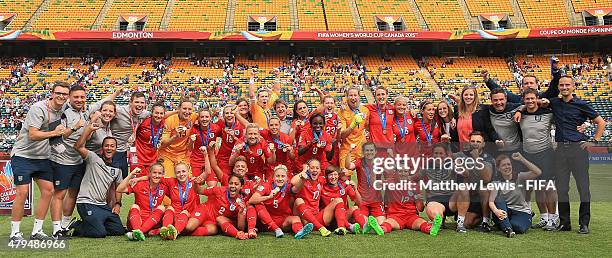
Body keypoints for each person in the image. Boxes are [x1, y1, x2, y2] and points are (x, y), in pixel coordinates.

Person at [543, 75, 605, 234]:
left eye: (567, 85)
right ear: (558, 87)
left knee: (583, 188)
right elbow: (534, 102)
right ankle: (565, 223)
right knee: (562, 189)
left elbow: (601, 122)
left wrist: (595, 141)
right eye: (561, 85)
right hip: (561, 151)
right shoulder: (554, 102)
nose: (564, 87)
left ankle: (584, 223)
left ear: (573, 87)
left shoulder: (582, 104)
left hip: (578, 149)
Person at [10, 82, 69, 241]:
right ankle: (14, 233)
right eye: (59, 93)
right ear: (52, 93)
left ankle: (37, 230)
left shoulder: (63, 107)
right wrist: (54, 133)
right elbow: (33, 135)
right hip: (24, 155)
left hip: (42, 157)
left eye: (65, 94)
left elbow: (81, 102)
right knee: (22, 192)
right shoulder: (38, 108)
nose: (61, 96)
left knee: (48, 191)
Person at [69, 120, 126, 238]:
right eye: (106, 145)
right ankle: (77, 225)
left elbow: (118, 188)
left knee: (119, 230)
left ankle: (93, 223)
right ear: (102, 147)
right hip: (87, 203)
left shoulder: (117, 168)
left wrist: (118, 204)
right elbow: (78, 146)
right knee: (99, 233)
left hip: (102, 205)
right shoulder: (93, 158)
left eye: (112, 146)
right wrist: (88, 130)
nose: (109, 148)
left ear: (116, 148)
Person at [50, 85, 88, 239]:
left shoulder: (83, 114)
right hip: (62, 160)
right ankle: (55, 229)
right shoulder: (62, 113)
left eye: (82, 97)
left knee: (73, 193)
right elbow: (56, 137)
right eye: (76, 97)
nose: (79, 100)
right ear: (69, 97)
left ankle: (64, 225)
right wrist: (74, 127)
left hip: (77, 160)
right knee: (59, 194)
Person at [516, 88, 557, 230]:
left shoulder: (548, 113)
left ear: (537, 98)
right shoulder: (520, 114)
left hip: (545, 153)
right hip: (528, 155)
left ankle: (553, 219)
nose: (530, 101)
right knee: (536, 188)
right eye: (527, 99)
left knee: (548, 187)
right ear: (524, 100)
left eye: (533, 98)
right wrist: (520, 110)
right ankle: (544, 217)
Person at [249, 165, 314, 239]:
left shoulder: (288, 187)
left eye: (283, 176)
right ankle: (275, 228)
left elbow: (296, 189)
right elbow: (252, 199)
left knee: (296, 218)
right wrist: (268, 197)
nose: (280, 179)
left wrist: (302, 179)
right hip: (267, 221)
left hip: (283, 220)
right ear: (273, 178)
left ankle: (300, 232)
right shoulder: (266, 186)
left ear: (287, 179)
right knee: (258, 203)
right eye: (277, 176)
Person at [489, 153, 542, 237]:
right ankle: (508, 229)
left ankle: (505, 225)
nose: (507, 167)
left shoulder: (520, 177)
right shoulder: (497, 182)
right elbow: (491, 202)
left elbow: (537, 172)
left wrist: (522, 159)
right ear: (498, 168)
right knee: (499, 199)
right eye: (503, 165)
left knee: (517, 227)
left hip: (521, 211)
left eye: (509, 164)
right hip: (505, 211)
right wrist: (496, 211)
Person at [421, 143, 469, 233]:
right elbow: (414, 178)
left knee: (463, 188)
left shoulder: (452, 164)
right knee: (434, 212)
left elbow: (466, 174)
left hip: (451, 201)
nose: (438, 156)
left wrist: (460, 167)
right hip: (435, 200)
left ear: (446, 154)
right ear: (432, 154)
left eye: (441, 153)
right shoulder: (428, 165)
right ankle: (439, 221)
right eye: (436, 153)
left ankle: (460, 224)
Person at [379, 169, 443, 236]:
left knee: (421, 222)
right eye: (400, 171)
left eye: (405, 171)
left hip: (411, 216)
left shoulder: (415, 186)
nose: (403, 174)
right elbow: (376, 185)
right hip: (395, 216)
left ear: (409, 173)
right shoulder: (389, 183)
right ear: (395, 172)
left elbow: (420, 209)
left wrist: (419, 199)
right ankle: (381, 229)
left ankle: (431, 229)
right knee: (388, 223)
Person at [454, 131, 494, 232]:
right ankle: (460, 223)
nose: (475, 143)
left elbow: (487, 178)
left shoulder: (488, 158)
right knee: (467, 223)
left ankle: (485, 221)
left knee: (484, 189)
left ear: (483, 144)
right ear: (469, 142)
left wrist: (476, 158)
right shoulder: (460, 155)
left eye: (478, 141)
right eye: (472, 141)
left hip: (479, 197)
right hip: (463, 195)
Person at [116, 163, 168, 241]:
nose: (157, 175)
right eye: (154, 172)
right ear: (149, 173)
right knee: (135, 206)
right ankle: (140, 230)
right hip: (137, 221)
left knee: (162, 207)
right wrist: (131, 174)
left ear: (163, 174)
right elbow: (119, 189)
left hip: (153, 221)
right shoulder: (140, 185)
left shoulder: (164, 187)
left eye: (159, 173)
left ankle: (139, 232)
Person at [344, 142, 386, 227]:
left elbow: (390, 178)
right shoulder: (359, 161)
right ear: (363, 152)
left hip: (376, 200)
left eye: (371, 150)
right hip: (362, 200)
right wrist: (349, 152)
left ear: (375, 151)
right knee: (363, 222)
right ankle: (367, 219)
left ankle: (371, 218)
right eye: (367, 150)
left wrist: (382, 183)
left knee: (381, 223)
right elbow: (348, 166)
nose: (369, 152)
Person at [291, 159, 336, 237]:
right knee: (298, 200)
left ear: (320, 170)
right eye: (312, 168)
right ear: (308, 169)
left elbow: (335, 177)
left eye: (317, 168)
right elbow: (292, 182)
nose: (315, 170)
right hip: (302, 217)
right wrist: (304, 170)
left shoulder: (321, 180)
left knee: (338, 201)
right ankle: (321, 228)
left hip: (316, 216)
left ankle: (344, 227)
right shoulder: (303, 180)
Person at [158, 163, 202, 240]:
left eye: (183, 171)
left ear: (188, 172)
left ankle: (175, 232)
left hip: (188, 216)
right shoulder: (172, 181)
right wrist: (137, 179)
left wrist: (205, 155)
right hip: (175, 214)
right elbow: (154, 176)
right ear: (175, 174)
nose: (181, 174)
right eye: (178, 172)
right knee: (169, 208)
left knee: (184, 213)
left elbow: (207, 172)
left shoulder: (194, 181)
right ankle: (166, 230)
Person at [158, 98, 197, 177]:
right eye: (184, 109)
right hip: (167, 154)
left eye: (189, 109)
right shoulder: (169, 120)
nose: (187, 111)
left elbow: (205, 116)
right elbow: (163, 144)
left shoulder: (193, 116)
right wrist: (175, 136)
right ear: (179, 109)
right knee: (168, 180)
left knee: (188, 180)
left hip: (182, 155)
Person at [338, 87, 369, 170]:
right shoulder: (342, 111)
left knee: (365, 177)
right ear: (347, 97)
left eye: (355, 95)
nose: (353, 97)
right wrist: (353, 125)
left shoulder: (365, 110)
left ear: (359, 96)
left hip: (361, 148)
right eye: (350, 95)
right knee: (345, 178)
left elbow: (368, 126)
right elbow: (342, 135)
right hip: (347, 149)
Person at [188, 109, 221, 185]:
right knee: (196, 184)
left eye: (207, 117)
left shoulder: (216, 128)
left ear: (210, 118)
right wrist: (191, 141)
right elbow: (189, 149)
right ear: (198, 118)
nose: (204, 119)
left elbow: (224, 138)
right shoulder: (194, 129)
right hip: (196, 160)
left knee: (212, 185)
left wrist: (217, 145)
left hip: (210, 160)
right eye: (202, 117)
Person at [132, 102, 166, 176]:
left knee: (149, 182)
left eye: (161, 113)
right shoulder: (143, 122)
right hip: (137, 157)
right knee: (137, 182)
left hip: (152, 159)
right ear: (151, 113)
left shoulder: (163, 123)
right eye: (156, 113)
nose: (159, 116)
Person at [365, 87, 395, 157]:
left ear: (387, 95)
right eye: (378, 95)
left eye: (383, 94)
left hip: (389, 148)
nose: (381, 97)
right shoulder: (369, 108)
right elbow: (355, 107)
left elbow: (404, 112)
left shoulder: (393, 109)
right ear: (375, 97)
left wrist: (412, 111)